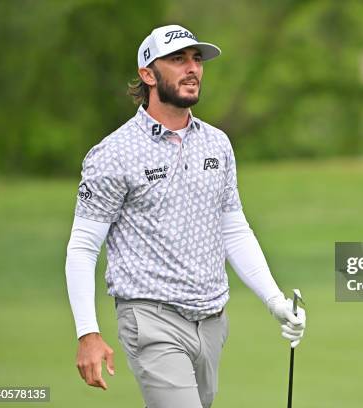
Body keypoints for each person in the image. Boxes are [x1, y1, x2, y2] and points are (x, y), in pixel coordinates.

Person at [65, 24, 306, 408]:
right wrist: (87, 333)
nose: (192, 68)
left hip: (211, 321)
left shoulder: (217, 143)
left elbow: (233, 228)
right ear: (148, 74)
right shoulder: (114, 153)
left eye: (197, 59)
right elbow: (83, 247)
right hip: (150, 318)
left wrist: (275, 300)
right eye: (177, 59)